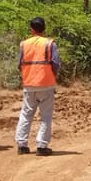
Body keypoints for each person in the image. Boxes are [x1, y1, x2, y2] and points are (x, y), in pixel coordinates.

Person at [14, 17, 61, 156]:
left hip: (29, 85)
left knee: (26, 114)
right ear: (44, 29)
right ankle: (41, 146)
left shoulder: (24, 44)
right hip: (46, 84)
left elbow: (19, 64)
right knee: (46, 116)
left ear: (32, 29)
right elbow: (56, 64)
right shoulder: (50, 43)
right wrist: (53, 76)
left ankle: (22, 145)